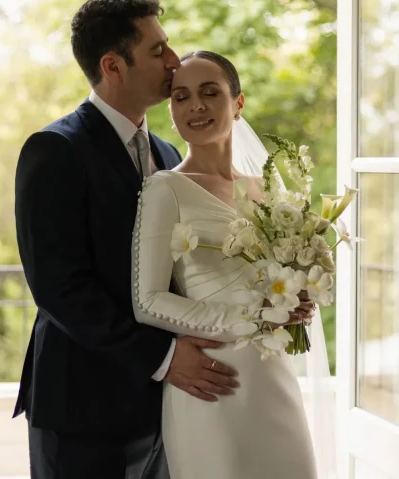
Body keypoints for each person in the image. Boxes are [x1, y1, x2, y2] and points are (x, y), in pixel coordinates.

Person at [13, 0, 241, 478]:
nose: (174, 61)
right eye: (158, 50)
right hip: (82, 411)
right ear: (113, 65)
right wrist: (162, 357)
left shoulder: (165, 151)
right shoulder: (55, 150)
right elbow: (60, 287)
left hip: (164, 408)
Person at [132, 50, 318, 478]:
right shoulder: (166, 189)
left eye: (209, 92)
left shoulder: (269, 191)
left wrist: (301, 302)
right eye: (181, 96)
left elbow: (286, 278)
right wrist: (249, 321)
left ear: (238, 102)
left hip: (274, 381)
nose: (195, 105)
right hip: (212, 379)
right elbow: (148, 300)